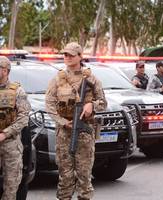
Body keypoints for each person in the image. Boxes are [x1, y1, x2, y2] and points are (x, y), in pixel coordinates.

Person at [45, 42, 107, 199]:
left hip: (85, 133)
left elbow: (103, 103)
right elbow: (49, 105)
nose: (67, 57)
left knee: (84, 176)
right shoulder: (57, 80)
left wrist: (91, 105)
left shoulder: (92, 79)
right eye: (65, 54)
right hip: (64, 133)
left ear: (80, 57)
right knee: (64, 176)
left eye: (71, 55)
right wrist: (63, 121)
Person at [0, 56, 31, 200]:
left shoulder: (17, 91)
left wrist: (5, 133)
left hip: (10, 144)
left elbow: (23, 118)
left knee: (11, 185)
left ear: (5, 71)